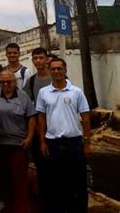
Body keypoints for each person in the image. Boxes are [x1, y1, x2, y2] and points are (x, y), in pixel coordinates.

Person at [36, 58, 91, 213]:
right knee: (54, 183)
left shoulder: (76, 92)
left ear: (65, 70)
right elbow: (41, 118)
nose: (56, 72)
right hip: (52, 143)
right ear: (49, 71)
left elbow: (86, 118)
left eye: (59, 68)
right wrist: (42, 142)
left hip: (74, 143)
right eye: (53, 69)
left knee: (78, 182)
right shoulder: (43, 92)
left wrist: (87, 143)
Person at [0, 70, 36, 213]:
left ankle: (22, 207)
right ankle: (6, 204)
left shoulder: (23, 97)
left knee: (19, 178)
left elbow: (31, 117)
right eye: (2, 82)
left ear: (15, 82)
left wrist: (29, 138)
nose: (6, 84)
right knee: (3, 177)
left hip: (18, 144)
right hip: (0, 144)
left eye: (9, 81)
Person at [24, 47, 52, 210]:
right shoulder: (32, 81)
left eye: (41, 58)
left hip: (56, 130)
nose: (38, 61)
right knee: (41, 165)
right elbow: (27, 105)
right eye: (35, 58)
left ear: (46, 59)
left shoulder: (56, 77)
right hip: (37, 130)